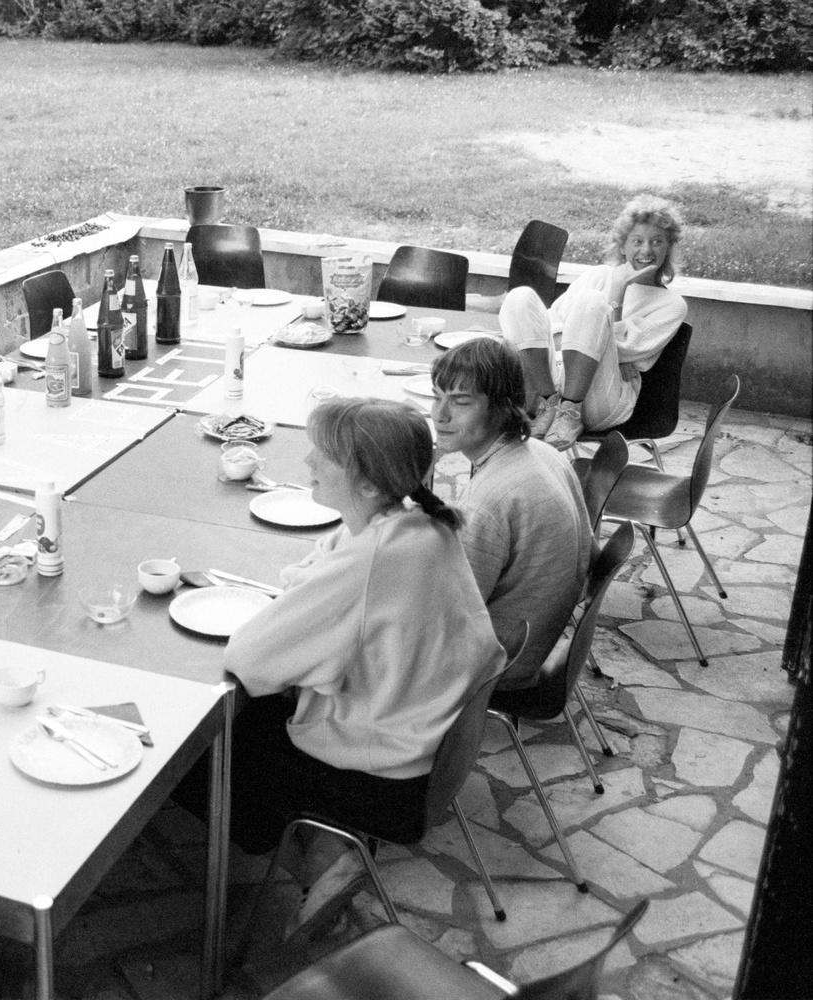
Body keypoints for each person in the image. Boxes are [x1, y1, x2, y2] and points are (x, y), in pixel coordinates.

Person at [180, 397, 505, 940]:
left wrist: (298, 617)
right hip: (425, 741)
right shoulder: (418, 524)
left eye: (323, 455)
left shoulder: (376, 560)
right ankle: (327, 847)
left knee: (198, 750)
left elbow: (249, 657)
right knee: (266, 710)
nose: (307, 462)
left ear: (371, 485)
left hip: (387, 776)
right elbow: (316, 571)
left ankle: (320, 859)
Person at [432, 338, 592, 689]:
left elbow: (445, 620)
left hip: (500, 663)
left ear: (500, 408)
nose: (439, 415)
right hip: (538, 635)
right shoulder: (540, 451)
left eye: (460, 402)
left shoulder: (486, 505)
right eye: (436, 396)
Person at [493, 194, 689, 449]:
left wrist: (616, 294)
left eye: (657, 241)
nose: (646, 250)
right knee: (519, 298)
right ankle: (548, 403)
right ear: (623, 245)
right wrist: (587, 340)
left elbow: (626, 352)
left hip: (602, 400)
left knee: (591, 302)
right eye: (637, 241)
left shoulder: (672, 305)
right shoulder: (597, 275)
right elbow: (551, 326)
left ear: (668, 247)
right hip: (551, 383)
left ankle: (570, 412)